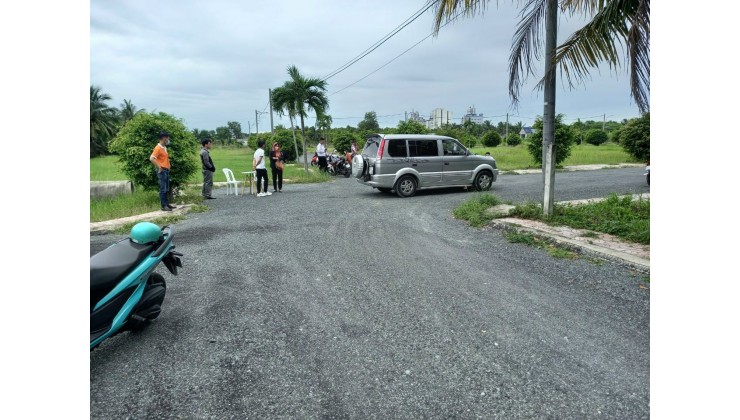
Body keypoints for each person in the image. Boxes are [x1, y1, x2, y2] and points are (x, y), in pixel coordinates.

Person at [150, 131, 177, 212]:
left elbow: (164, 158)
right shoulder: (158, 148)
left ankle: (166, 204)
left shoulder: (164, 147)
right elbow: (151, 158)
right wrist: (159, 167)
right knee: (163, 188)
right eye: (167, 137)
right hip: (162, 171)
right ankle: (164, 206)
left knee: (166, 188)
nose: (168, 139)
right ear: (164, 138)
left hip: (166, 169)